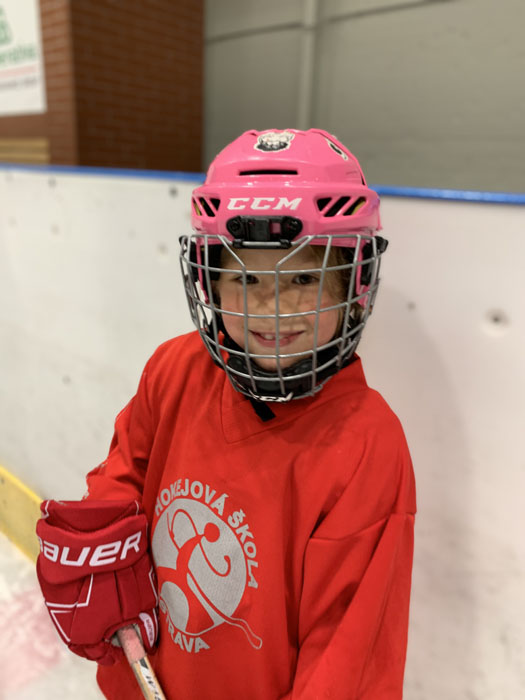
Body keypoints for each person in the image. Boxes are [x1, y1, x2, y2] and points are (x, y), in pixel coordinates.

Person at [36, 128, 416, 699]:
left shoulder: (366, 443)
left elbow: (348, 652)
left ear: (353, 282)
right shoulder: (176, 368)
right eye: (245, 277)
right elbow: (124, 475)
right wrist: (102, 550)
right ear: (209, 281)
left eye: (304, 277)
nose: (271, 304)